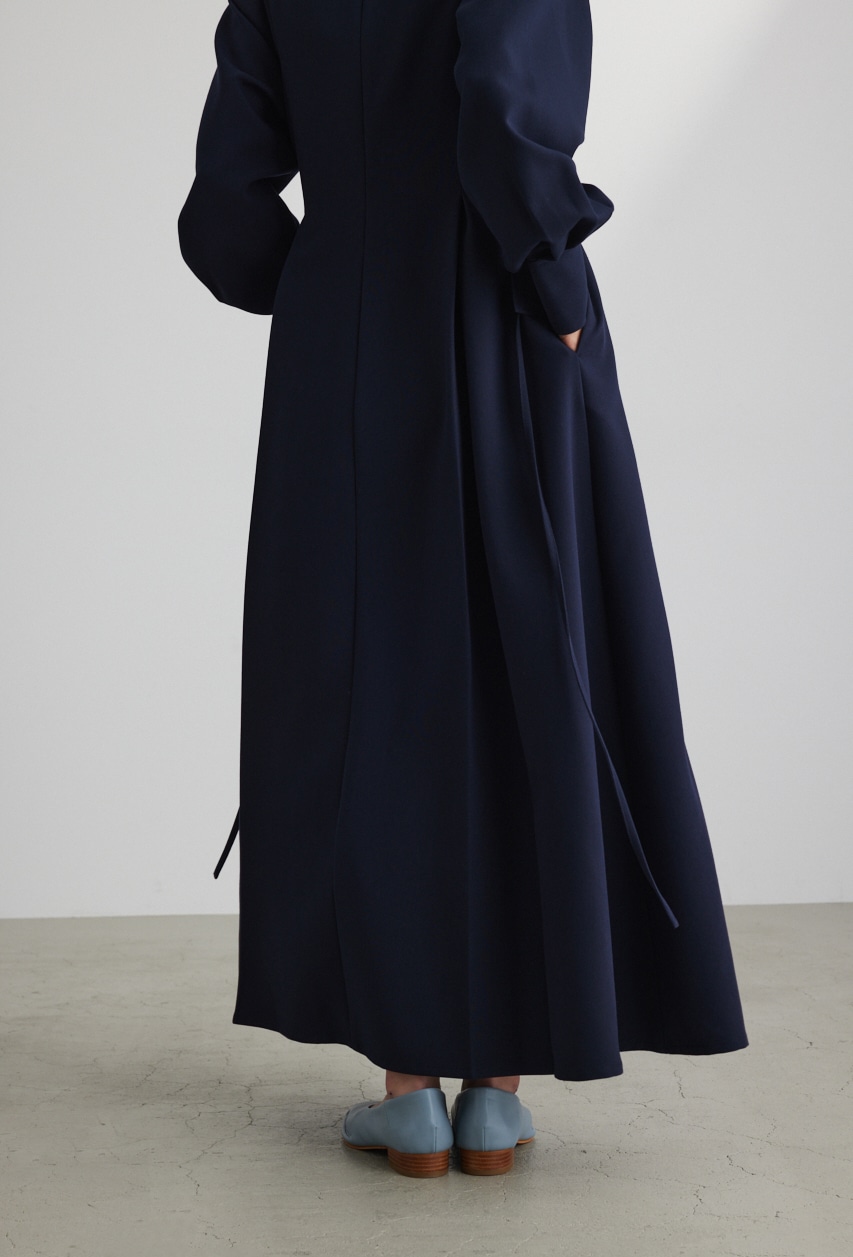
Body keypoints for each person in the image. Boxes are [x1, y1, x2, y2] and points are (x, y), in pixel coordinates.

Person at [177, 0, 749, 1179]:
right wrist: (551, 277)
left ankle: (409, 1092)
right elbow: (498, 107)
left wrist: (329, 281)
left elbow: (225, 203)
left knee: (371, 686)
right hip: (501, 325)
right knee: (524, 663)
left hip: (342, 347)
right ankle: (495, 1093)